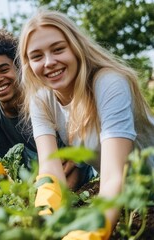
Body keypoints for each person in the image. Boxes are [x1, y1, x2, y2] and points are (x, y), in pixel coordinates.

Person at [18, 9, 154, 238]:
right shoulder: (40, 98)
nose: (49, 62)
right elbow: (50, 169)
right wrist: (47, 221)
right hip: (132, 201)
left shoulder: (109, 83)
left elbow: (113, 176)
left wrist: (92, 232)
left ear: (76, 47)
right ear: (28, 63)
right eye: (37, 56)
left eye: (58, 49)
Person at [0, 29, 90, 189]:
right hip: (33, 171)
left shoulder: (42, 94)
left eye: (4, 70)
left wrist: (72, 161)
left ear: (19, 69)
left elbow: (81, 132)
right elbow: (2, 149)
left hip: (70, 162)